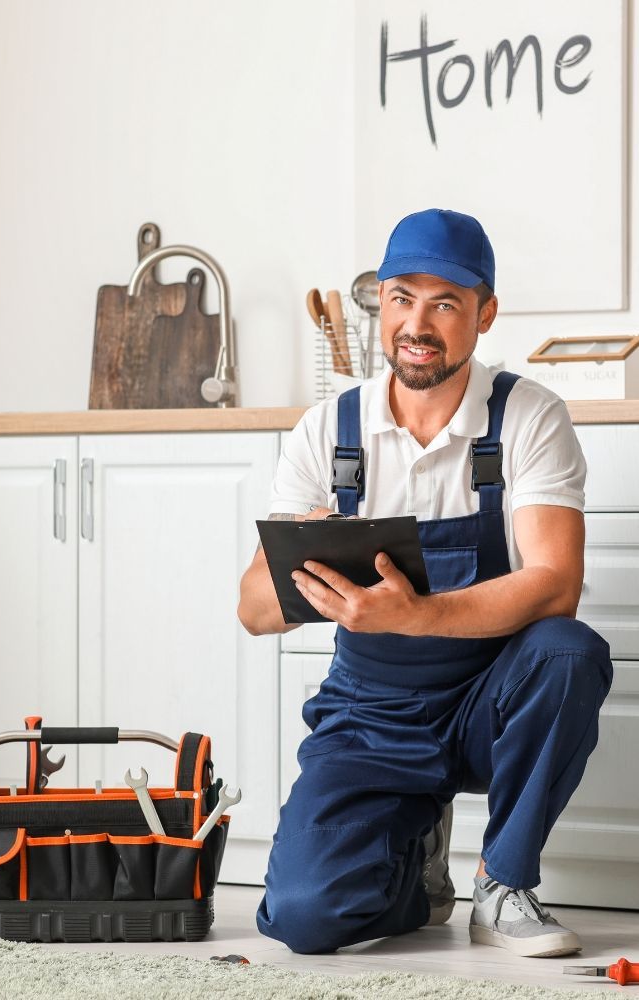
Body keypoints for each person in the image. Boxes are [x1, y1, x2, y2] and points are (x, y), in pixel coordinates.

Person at [237, 208, 613, 958]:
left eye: (445, 303)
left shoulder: (527, 418)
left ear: (485, 314)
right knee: (304, 919)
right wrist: (301, 557)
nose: (418, 322)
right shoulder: (329, 432)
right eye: (403, 297)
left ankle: (504, 886)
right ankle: (417, 874)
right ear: (380, 301)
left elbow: (553, 585)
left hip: (487, 699)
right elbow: (251, 610)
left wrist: (415, 613)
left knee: (569, 650)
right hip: (370, 713)